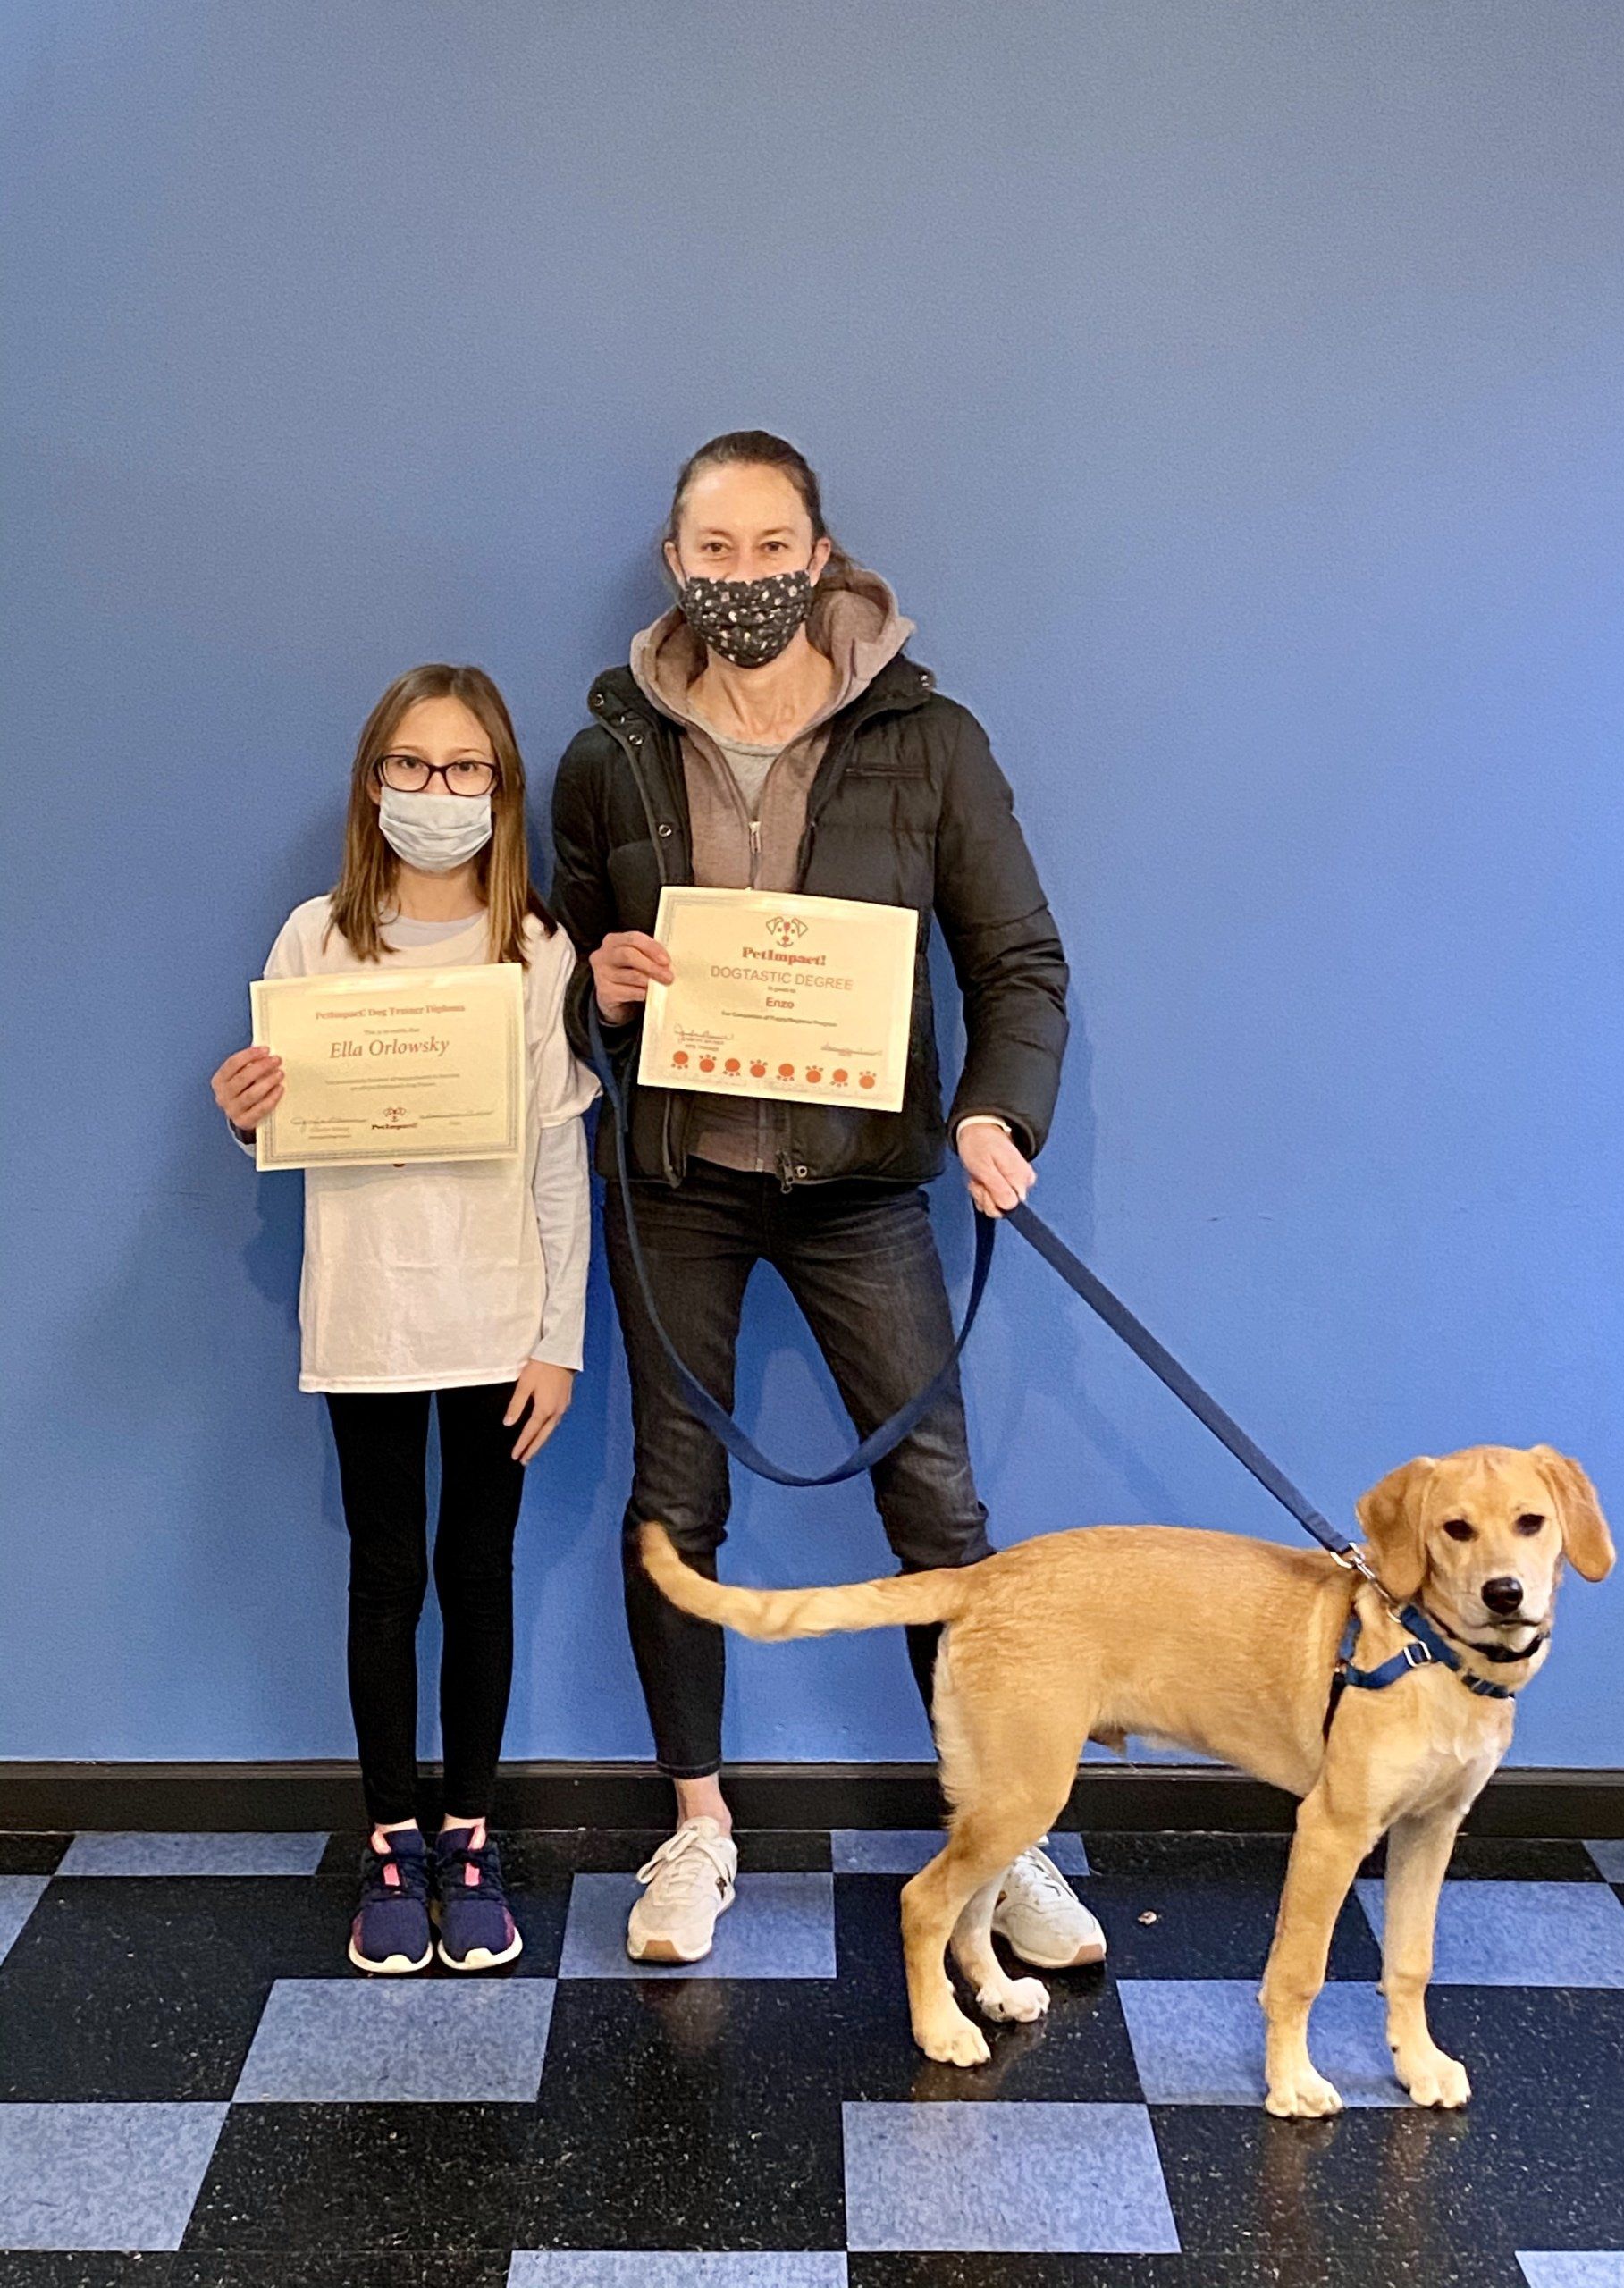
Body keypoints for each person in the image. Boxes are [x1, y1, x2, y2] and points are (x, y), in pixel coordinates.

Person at [551, 432, 1106, 1969]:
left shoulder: (928, 738)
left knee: (939, 1510)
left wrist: (999, 1107)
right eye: (714, 553)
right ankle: (698, 1827)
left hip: (865, 1187)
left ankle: (1005, 1840)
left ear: (821, 553)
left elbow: (1021, 966)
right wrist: (600, 989)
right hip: (681, 1181)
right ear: (677, 565)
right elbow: (582, 976)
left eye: (771, 547)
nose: (744, 579)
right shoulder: (610, 754)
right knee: (677, 1504)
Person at [212, 663, 595, 1973]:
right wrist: (250, 1104)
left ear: (503, 788)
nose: (438, 793)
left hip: (498, 1318)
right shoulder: (315, 937)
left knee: (475, 1577)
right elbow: (280, 1117)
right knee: (385, 1577)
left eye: (466, 769)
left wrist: (562, 1338)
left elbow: (559, 1160)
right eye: (412, 767)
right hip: (369, 1311)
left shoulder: (536, 949)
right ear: (373, 783)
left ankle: (471, 1838)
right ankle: (392, 1840)